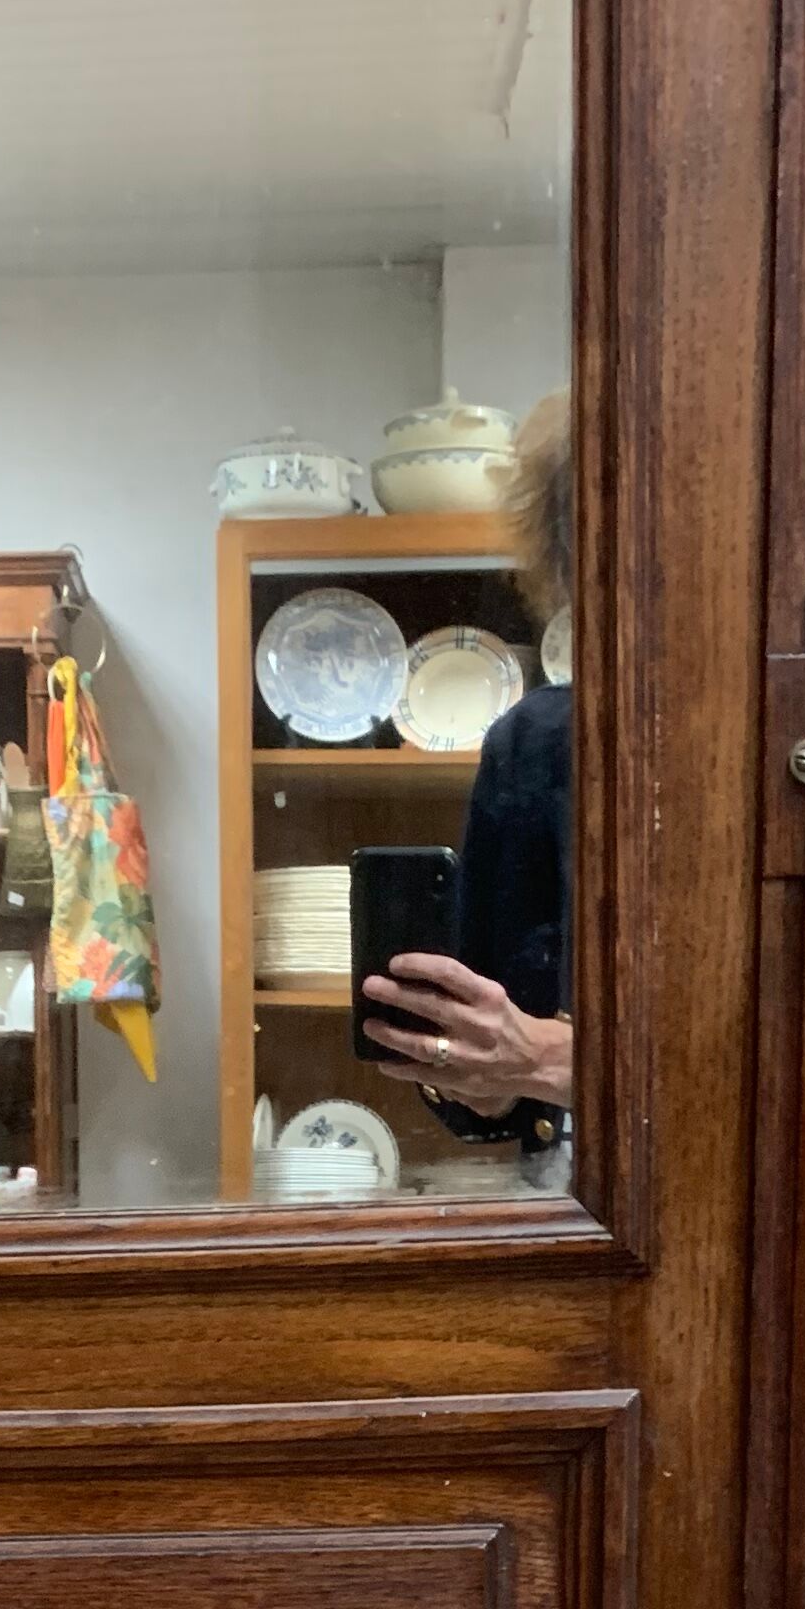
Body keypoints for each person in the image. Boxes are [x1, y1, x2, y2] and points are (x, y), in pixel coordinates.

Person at [358, 388, 574, 1151]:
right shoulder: (537, 741)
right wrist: (476, 1081)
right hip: (572, 1204)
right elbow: (489, 1090)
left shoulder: (780, 741)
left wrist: (554, 1060)